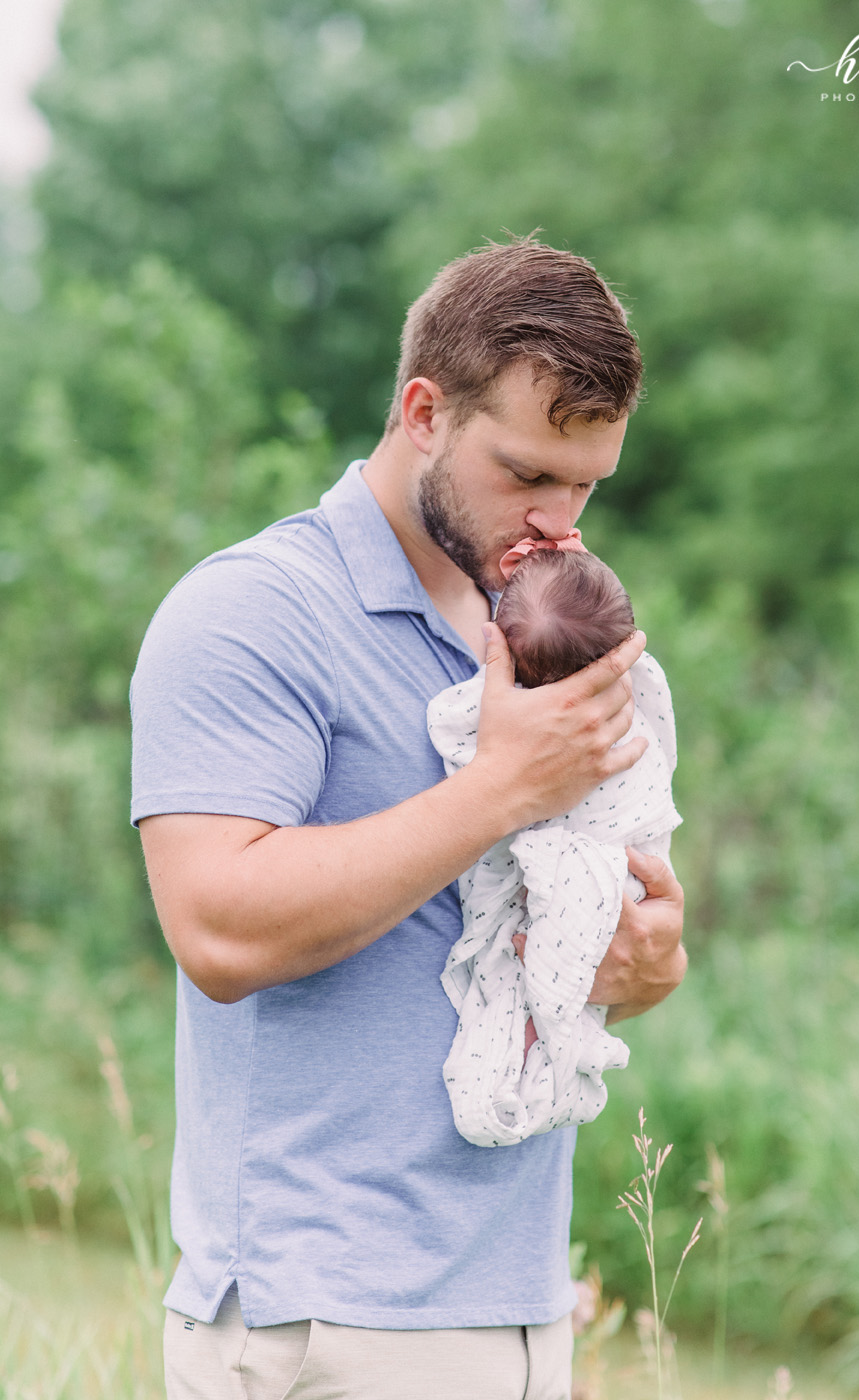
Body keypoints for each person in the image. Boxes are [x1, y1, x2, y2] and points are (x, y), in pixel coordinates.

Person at [131, 236, 687, 1400]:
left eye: (586, 484)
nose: (559, 519)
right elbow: (218, 931)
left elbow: (547, 909)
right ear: (424, 409)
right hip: (327, 1322)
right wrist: (498, 789)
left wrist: (632, 958)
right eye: (527, 474)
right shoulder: (249, 612)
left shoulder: (543, 627)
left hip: (525, 1308)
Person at [429, 543, 681, 1149]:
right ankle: (554, 1040)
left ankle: (538, 1039)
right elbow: (588, 618)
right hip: (623, 861)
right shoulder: (634, 685)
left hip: (601, 856)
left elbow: (452, 727)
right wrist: (576, 579)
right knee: (556, 962)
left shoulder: (505, 708)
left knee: (519, 961)